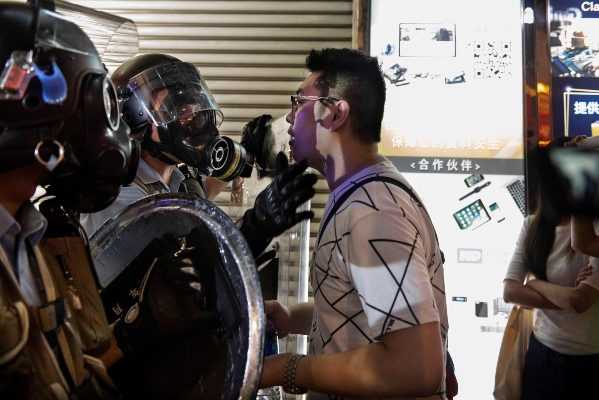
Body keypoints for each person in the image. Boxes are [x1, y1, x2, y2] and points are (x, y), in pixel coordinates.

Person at [0, 2, 213, 398]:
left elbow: (67, 374)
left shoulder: (34, 236)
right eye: (91, 99)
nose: (104, 123)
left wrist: (133, 330)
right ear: (25, 107)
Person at [259, 48, 449, 399]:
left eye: (298, 103)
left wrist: (287, 367)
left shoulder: (373, 212)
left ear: (334, 113)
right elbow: (369, 306)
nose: (288, 118)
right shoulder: (362, 195)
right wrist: (292, 318)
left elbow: (414, 367)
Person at [80, 53, 318, 258]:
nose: (196, 118)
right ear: (134, 118)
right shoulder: (122, 200)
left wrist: (247, 153)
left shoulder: (176, 183)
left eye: (195, 107)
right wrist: (255, 228)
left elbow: (202, 191)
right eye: (180, 110)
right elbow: (174, 280)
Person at [502, 136, 599, 399]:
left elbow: (581, 301)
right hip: (540, 356)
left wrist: (535, 285)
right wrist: (565, 296)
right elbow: (510, 292)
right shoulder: (532, 225)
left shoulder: (594, 232)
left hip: (588, 363)